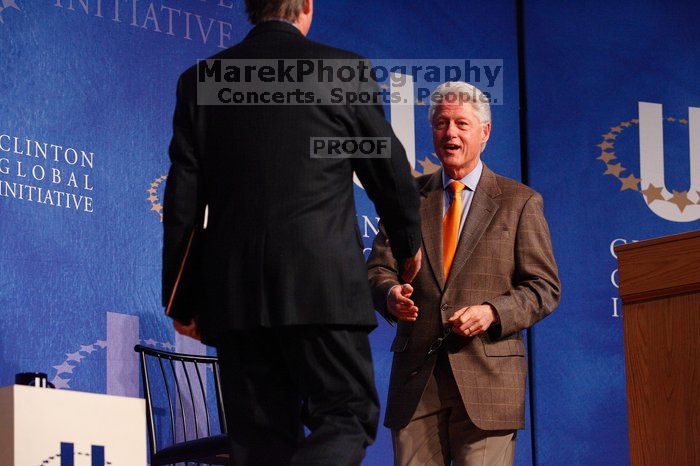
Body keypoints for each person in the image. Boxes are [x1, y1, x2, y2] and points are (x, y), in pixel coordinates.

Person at [162, 0, 422, 464]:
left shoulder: (199, 81)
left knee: (260, 446)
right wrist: (407, 246)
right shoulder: (343, 71)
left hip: (236, 297)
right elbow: (389, 172)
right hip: (321, 287)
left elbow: (183, 199)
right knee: (347, 415)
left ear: (250, 9)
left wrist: (180, 299)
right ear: (306, 6)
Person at [367, 81, 560, 466]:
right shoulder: (406, 198)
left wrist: (492, 312)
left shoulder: (519, 202)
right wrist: (390, 294)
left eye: (460, 123)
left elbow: (544, 288)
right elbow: (378, 270)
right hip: (417, 381)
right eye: (440, 123)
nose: (449, 133)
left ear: (484, 132)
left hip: (488, 380)